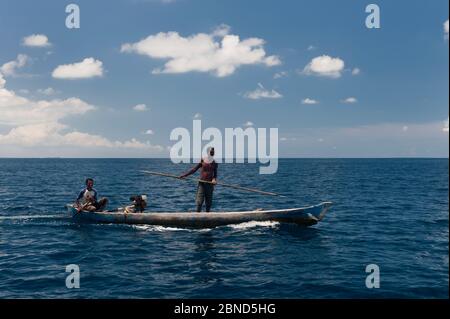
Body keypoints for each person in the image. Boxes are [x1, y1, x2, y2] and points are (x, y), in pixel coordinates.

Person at [179, 147, 218, 212]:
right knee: (199, 202)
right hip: (202, 184)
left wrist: (214, 179)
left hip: (210, 185)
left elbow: (215, 174)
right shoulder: (202, 160)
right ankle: (197, 215)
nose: (212, 153)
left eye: (213, 152)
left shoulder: (215, 163)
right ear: (208, 152)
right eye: (211, 152)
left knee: (208, 203)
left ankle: (207, 217)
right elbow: (194, 169)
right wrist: (185, 175)